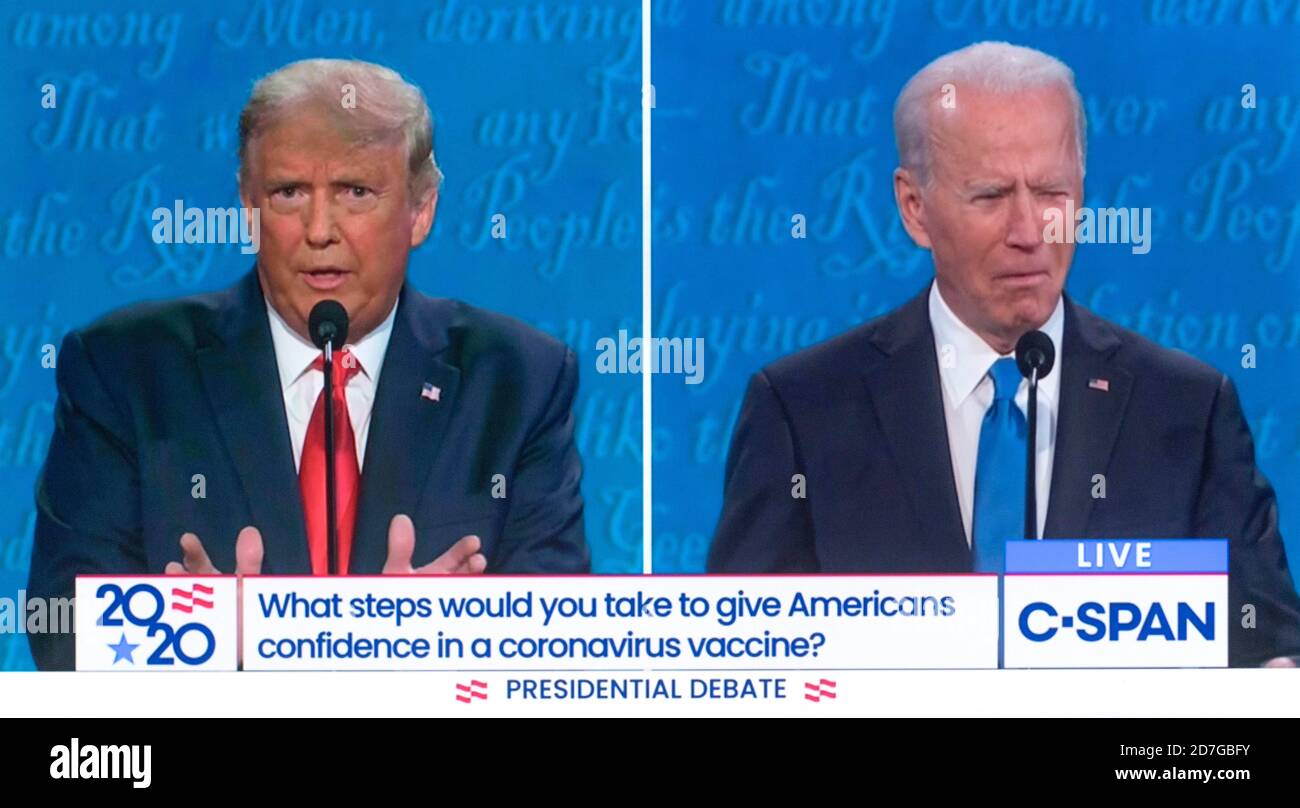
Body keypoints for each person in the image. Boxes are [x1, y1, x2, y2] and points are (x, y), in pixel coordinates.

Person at [707, 41, 1300, 667]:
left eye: (1051, 192)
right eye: (990, 196)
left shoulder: (1187, 409)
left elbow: (1265, 646)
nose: (1028, 233)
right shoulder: (803, 410)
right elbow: (748, 661)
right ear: (915, 209)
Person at [28, 58, 589, 670]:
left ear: (421, 210)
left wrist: (418, 637)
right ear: (248, 205)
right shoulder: (126, 369)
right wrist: (217, 638)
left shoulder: (516, 380)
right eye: (289, 192)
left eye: (356, 192)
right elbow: (62, 628)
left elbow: (554, 646)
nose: (319, 230)